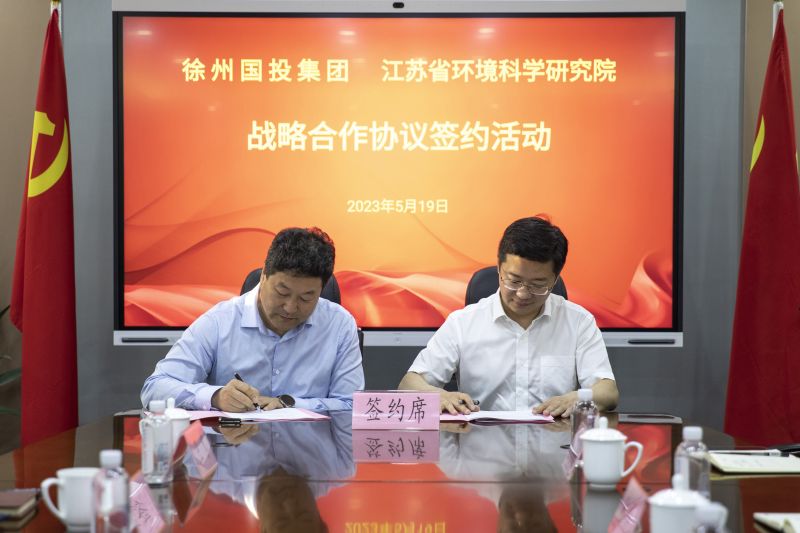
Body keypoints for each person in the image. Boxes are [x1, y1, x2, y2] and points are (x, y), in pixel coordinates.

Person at [398, 216, 618, 417]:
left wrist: (577, 398)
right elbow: (409, 384)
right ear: (499, 268)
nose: (522, 293)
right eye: (513, 280)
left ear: (554, 279)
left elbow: (608, 392)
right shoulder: (462, 323)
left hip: (554, 444)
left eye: (538, 284)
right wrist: (438, 395)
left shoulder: (578, 322)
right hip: (479, 443)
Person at [141, 227, 364, 412]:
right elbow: (154, 388)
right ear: (264, 275)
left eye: (306, 298)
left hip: (312, 451)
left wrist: (290, 404)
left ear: (321, 290)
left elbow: (352, 405)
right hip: (235, 448)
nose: (290, 307)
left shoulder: (339, 325)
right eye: (282, 292)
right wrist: (215, 397)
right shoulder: (220, 322)